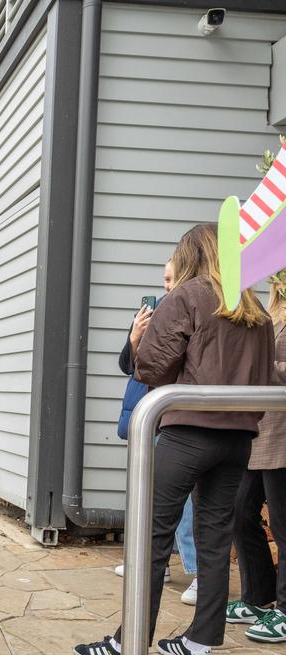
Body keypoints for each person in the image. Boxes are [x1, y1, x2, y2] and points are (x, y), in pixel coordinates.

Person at [74, 222, 273, 655]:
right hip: (238, 441)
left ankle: (129, 644)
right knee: (215, 540)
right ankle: (200, 644)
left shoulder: (187, 296)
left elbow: (150, 367)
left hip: (187, 435)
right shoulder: (253, 306)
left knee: (152, 536)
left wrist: (138, 341)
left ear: (191, 257)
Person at [115, 259, 199, 605]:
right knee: (148, 493)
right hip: (149, 415)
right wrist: (135, 337)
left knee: (187, 501)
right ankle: (157, 563)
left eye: (173, 278)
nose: (167, 285)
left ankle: (198, 572)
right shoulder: (155, 313)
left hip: (178, 417)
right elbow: (129, 366)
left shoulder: (195, 311)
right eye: (165, 279)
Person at [226, 270, 286, 643]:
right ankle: (259, 595)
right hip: (260, 434)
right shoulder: (269, 313)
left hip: (284, 438)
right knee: (238, 512)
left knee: (283, 525)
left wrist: (265, 369)